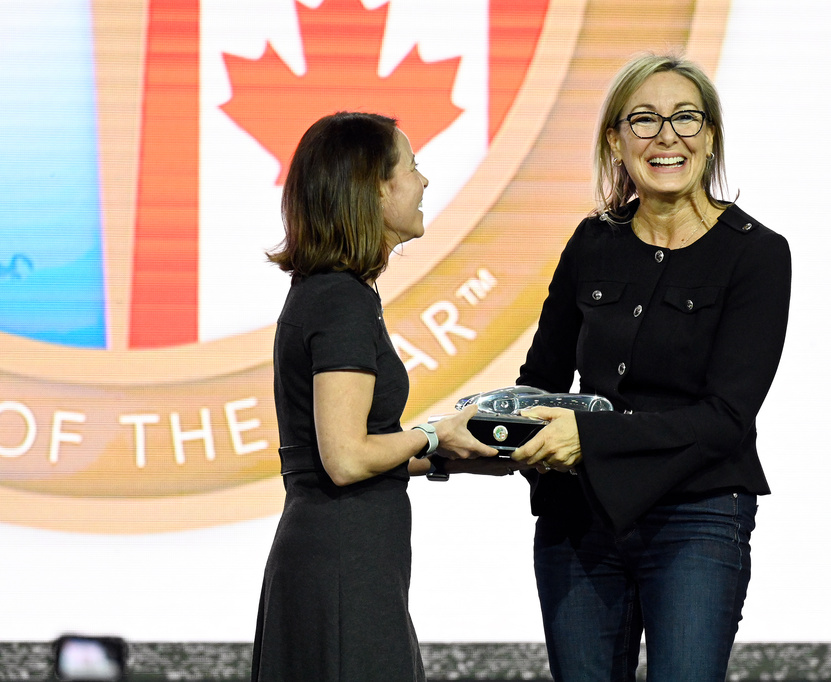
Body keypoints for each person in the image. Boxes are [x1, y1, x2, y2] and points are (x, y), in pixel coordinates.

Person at [510, 54, 792, 681]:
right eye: (643, 120)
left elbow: (725, 418)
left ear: (711, 136)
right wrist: (488, 429)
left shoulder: (759, 254)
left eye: (686, 118)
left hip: (698, 514)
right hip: (580, 520)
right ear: (615, 140)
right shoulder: (591, 241)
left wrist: (586, 438)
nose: (667, 136)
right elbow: (543, 377)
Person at [250, 111, 498, 682]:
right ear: (374, 189)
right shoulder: (341, 302)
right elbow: (345, 459)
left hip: (344, 558)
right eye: (412, 167)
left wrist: (448, 456)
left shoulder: (332, 293)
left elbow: (343, 453)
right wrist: (438, 430)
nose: (425, 183)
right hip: (344, 566)